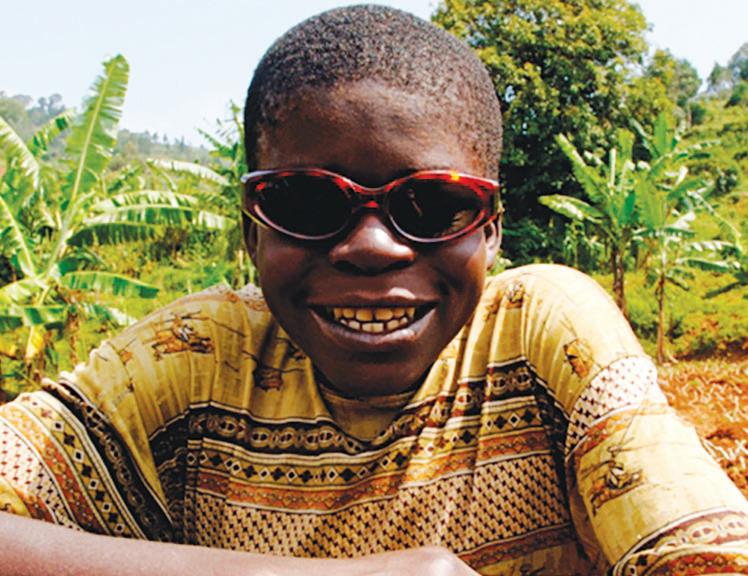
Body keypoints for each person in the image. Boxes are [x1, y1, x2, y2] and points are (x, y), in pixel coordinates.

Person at [1, 5, 747, 575]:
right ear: (252, 230)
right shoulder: (193, 362)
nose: (370, 246)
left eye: (433, 204)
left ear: (490, 230)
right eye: (305, 202)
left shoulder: (541, 333)